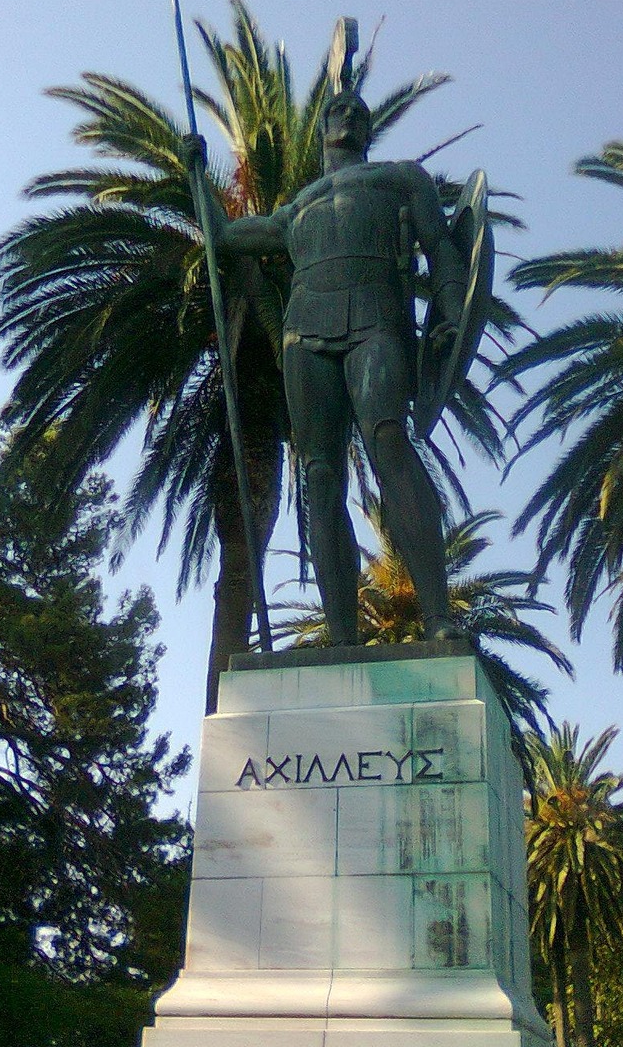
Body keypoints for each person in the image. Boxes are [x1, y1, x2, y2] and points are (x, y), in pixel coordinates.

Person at [187, 90, 470, 645]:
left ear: (369, 130)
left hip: (377, 318)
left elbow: (443, 248)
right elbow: (224, 238)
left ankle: (438, 617)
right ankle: (341, 640)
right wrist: (197, 175)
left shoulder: (399, 178)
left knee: (388, 440)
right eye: (340, 109)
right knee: (319, 475)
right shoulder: (297, 207)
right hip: (305, 329)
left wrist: (452, 311)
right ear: (322, 126)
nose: (351, 114)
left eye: (360, 111)